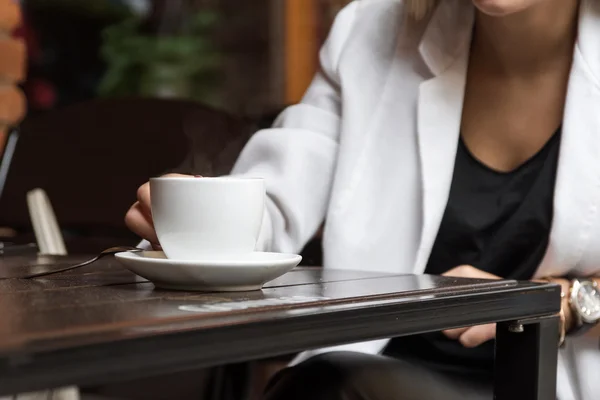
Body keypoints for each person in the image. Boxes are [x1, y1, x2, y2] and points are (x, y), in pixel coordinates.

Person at [126, 0, 600, 398]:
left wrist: (574, 301)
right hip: (380, 369)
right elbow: (277, 200)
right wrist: (201, 224)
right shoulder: (369, 29)